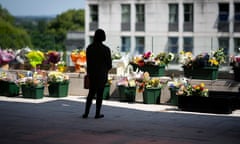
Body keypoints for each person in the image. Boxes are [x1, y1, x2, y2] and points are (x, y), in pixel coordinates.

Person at [82, 29, 112, 119]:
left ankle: (86, 113)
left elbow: (88, 63)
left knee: (91, 93)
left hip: (92, 74)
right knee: (100, 95)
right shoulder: (106, 49)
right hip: (102, 74)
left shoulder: (89, 48)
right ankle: (97, 113)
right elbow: (109, 65)